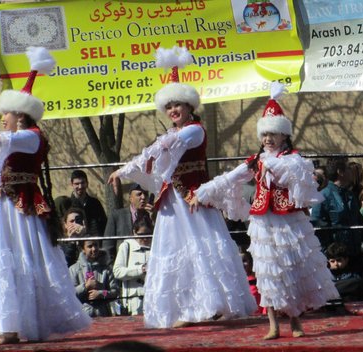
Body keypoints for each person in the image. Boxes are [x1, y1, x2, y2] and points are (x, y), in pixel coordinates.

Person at [107, 47, 257, 329]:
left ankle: (212, 305)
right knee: (177, 251)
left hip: (193, 198)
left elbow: (159, 150)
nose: (173, 110)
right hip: (173, 200)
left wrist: (127, 169)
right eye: (169, 106)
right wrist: (123, 171)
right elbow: (156, 155)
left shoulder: (193, 130)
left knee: (200, 248)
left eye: (178, 105)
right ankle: (187, 308)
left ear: (190, 106)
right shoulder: (174, 133)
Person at [194, 82, 339, 340]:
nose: (268, 139)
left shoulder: (293, 158)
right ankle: (272, 324)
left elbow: (295, 175)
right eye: (264, 134)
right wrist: (202, 193)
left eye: (273, 134)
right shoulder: (256, 160)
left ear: (284, 135)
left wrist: (274, 165)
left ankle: (295, 321)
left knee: (290, 268)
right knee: (266, 270)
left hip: (287, 221)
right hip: (262, 220)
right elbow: (231, 178)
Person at [0, 47, 90, 345]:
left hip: (22, 209)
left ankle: (25, 325)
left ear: (20, 114)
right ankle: (9, 327)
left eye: (6, 113)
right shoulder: (11, 139)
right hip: (5, 208)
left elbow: (11, 140)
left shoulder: (32, 136)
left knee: (23, 260)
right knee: (2, 260)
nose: (2, 118)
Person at [310, 158, 361, 255]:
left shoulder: (350, 194)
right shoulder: (323, 196)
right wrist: (330, 254)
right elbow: (317, 227)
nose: (351, 171)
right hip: (336, 258)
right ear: (340, 172)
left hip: (354, 254)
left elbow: (359, 221)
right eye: (348, 168)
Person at [112, 215, 153, 316]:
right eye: (141, 235)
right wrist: (140, 269)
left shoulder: (156, 246)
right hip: (134, 300)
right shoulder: (126, 246)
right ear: (134, 232)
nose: (145, 239)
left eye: (148, 235)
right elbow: (117, 272)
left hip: (153, 297)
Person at [103, 183, 153, 262]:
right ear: (130, 198)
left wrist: (154, 218)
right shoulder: (117, 216)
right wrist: (111, 266)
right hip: (125, 264)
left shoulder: (153, 216)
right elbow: (108, 245)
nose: (143, 197)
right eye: (139, 194)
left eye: (145, 194)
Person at [69, 240, 119, 317]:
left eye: (96, 245)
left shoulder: (106, 269)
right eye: (90, 246)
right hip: (82, 316)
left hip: (103, 316)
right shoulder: (73, 269)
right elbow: (70, 294)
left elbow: (115, 292)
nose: (94, 249)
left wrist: (102, 293)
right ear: (82, 249)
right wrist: (85, 287)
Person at [56, 169, 107, 236]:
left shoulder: (95, 203)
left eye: (82, 183)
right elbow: (61, 228)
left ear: (87, 183)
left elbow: (104, 225)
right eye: (77, 184)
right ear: (72, 184)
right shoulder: (65, 204)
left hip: (94, 243)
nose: (80, 187)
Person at [240, 250, 265, 315]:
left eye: (244, 261)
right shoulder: (235, 281)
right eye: (239, 261)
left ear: (250, 261)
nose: (242, 264)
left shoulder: (257, 278)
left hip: (259, 314)